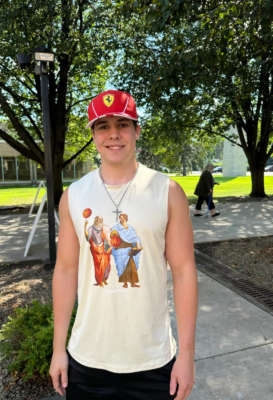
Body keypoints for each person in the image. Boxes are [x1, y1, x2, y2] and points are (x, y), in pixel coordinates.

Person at [49, 90, 198, 400]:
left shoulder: (167, 192)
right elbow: (64, 270)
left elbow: (184, 272)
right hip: (87, 359)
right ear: (92, 134)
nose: (113, 134)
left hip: (153, 361)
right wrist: (57, 349)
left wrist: (186, 355)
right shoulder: (73, 196)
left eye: (123, 124)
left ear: (137, 130)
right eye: (103, 126)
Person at [110, 213, 142, 288]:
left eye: (122, 218)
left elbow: (135, 237)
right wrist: (114, 234)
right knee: (122, 266)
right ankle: (125, 283)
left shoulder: (130, 228)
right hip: (120, 250)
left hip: (129, 250)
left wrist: (138, 243)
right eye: (120, 218)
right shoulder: (116, 227)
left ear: (125, 219)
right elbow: (111, 235)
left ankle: (133, 283)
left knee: (132, 266)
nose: (120, 219)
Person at [84, 215, 112, 287]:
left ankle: (104, 279)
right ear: (95, 220)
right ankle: (100, 281)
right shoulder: (91, 228)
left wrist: (110, 247)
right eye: (98, 220)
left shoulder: (105, 228)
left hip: (104, 248)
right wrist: (85, 226)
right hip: (96, 249)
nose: (99, 222)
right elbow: (87, 235)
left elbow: (109, 236)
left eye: (100, 220)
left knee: (105, 265)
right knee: (99, 267)